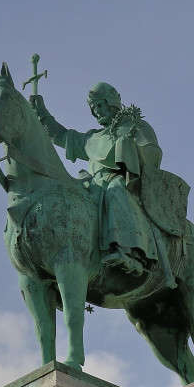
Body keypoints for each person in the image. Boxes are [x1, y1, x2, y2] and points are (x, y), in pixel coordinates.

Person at [30, 82, 163, 278]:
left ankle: (129, 252)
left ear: (112, 103)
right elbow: (61, 136)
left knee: (116, 190)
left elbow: (153, 154)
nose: (97, 112)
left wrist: (129, 149)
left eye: (100, 106)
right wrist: (41, 113)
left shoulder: (135, 126)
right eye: (94, 109)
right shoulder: (93, 138)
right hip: (92, 183)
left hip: (124, 181)